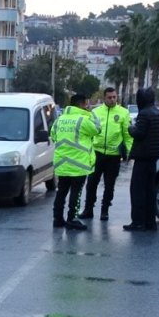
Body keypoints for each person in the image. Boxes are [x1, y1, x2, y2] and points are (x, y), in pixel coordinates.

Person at [81, 86, 133, 222]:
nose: (112, 99)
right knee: (91, 183)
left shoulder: (123, 113)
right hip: (97, 153)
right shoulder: (96, 112)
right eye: (109, 97)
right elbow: (89, 132)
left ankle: (105, 210)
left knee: (109, 185)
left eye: (114, 97)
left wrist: (129, 151)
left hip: (113, 155)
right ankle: (88, 209)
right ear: (104, 98)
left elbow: (127, 135)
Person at [51, 92, 99, 230]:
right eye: (86, 104)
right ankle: (72, 219)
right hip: (78, 164)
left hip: (62, 163)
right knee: (76, 193)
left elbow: (53, 136)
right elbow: (97, 129)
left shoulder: (60, 119)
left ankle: (57, 219)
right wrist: (91, 114)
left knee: (61, 191)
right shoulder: (84, 120)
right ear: (82, 104)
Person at [124, 87, 159, 231]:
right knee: (150, 191)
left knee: (137, 191)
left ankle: (138, 222)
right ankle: (150, 222)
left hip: (142, 157)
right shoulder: (158, 113)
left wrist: (130, 128)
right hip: (153, 157)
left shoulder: (144, 114)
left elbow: (139, 133)